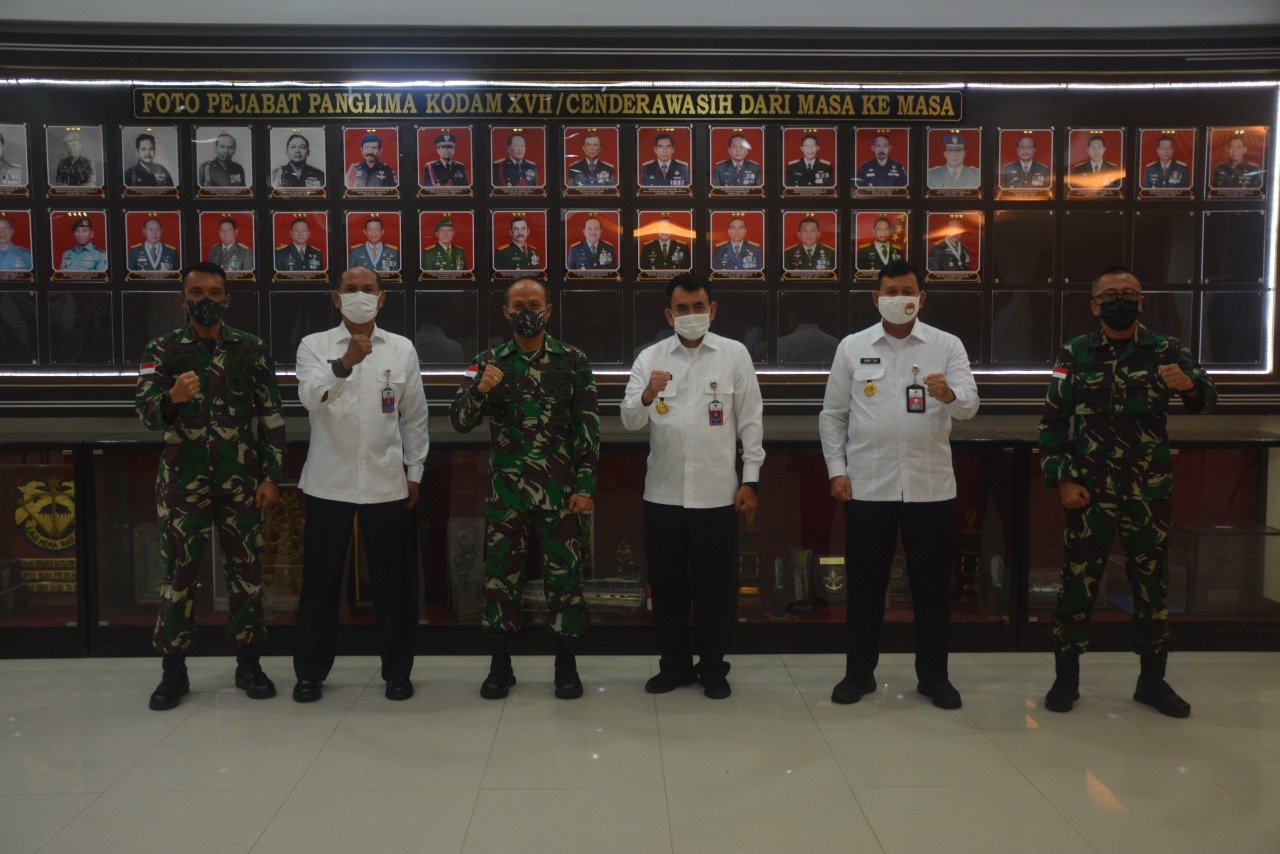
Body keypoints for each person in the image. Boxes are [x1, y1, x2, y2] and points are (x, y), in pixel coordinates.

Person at [1039, 266, 1215, 718]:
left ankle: (1152, 681)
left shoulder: (1167, 350)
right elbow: (1053, 424)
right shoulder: (1074, 353)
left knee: (1152, 587)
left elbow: (1207, 398)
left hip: (1147, 492)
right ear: (1095, 305)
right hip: (1089, 492)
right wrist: (1064, 479)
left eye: (1129, 293)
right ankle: (1066, 678)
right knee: (1077, 585)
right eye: (1111, 295)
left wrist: (1188, 384)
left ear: (1142, 302)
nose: (1121, 300)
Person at [820, 259, 978, 710]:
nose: (899, 299)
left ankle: (934, 678)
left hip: (930, 487)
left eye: (907, 291)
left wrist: (949, 394)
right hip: (868, 485)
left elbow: (970, 404)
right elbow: (833, 415)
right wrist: (836, 469)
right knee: (865, 586)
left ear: (921, 298)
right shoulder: (852, 347)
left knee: (932, 589)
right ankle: (858, 675)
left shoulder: (946, 345)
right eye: (890, 291)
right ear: (876, 298)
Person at [134, 262, 287, 710]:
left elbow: (271, 418)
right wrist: (172, 398)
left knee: (247, 576)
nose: (206, 300)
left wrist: (271, 476)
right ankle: (174, 671)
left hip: (241, 483)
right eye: (197, 293)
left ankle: (249, 664)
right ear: (183, 300)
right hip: (183, 484)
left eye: (215, 293)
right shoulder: (161, 349)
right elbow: (145, 413)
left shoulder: (251, 349)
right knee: (179, 577)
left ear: (227, 299)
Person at [449, 278, 600, 700]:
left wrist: (586, 485)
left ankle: (566, 665)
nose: (526, 312)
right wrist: (480, 390)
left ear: (548, 310)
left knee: (565, 579)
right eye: (518, 305)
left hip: (560, 493)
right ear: (506, 312)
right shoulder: (486, 362)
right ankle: (500, 667)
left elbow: (587, 431)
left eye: (534, 304)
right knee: (500, 580)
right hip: (507, 493)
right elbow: (459, 422)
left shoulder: (573, 361)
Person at [620, 273, 764, 699]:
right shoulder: (649, 358)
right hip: (663, 494)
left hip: (717, 494)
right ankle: (675, 666)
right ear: (669, 315)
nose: (691, 314)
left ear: (712, 309)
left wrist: (751, 479)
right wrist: (648, 393)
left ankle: (714, 667)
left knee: (715, 588)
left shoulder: (734, 355)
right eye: (681, 309)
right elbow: (629, 420)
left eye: (698, 306)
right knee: (667, 588)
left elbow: (751, 420)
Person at [292, 266, 429, 703]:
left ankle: (398, 672)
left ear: (381, 298)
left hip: (386, 481)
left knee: (393, 586)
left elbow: (414, 416)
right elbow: (310, 398)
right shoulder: (314, 346)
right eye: (350, 289)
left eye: (368, 289)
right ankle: (310, 673)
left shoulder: (402, 348)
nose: (359, 295)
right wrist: (345, 363)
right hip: (328, 482)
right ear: (336, 299)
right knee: (320, 584)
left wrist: (414, 472)